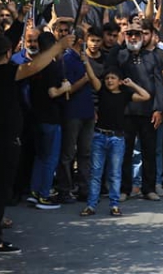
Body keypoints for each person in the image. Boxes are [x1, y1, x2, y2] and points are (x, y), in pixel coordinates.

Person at [0, 32, 72, 254]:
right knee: (1, 190)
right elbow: (33, 67)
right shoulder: (5, 72)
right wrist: (58, 46)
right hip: (6, 139)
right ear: (7, 52)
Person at [106, 22, 163, 202]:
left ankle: (149, 189)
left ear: (143, 37)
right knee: (125, 152)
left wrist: (158, 109)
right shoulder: (120, 55)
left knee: (149, 151)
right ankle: (125, 189)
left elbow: (159, 85)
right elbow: (109, 71)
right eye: (130, 34)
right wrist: (120, 42)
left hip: (148, 112)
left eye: (137, 35)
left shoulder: (152, 57)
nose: (133, 38)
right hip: (126, 111)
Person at [81, 68, 151, 217]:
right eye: (107, 78)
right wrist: (85, 61)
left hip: (117, 138)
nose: (109, 81)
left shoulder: (125, 94)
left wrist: (131, 84)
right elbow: (92, 77)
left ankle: (114, 205)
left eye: (113, 78)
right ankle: (91, 205)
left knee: (115, 173)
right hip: (99, 136)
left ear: (120, 81)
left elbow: (146, 96)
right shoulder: (102, 91)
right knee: (95, 173)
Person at [28, 32, 72, 210]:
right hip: (51, 118)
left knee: (40, 156)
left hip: (37, 116)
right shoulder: (51, 67)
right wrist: (65, 88)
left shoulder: (35, 65)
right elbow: (52, 92)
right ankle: (44, 195)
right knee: (50, 158)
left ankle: (34, 191)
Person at [57, 28, 96, 204]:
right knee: (68, 153)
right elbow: (68, 90)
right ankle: (64, 189)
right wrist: (84, 79)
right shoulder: (67, 60)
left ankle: (84, 188)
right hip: (72, 112)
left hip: (87, 111)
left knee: (85, 152)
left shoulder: (83, 59)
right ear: (80, 40)